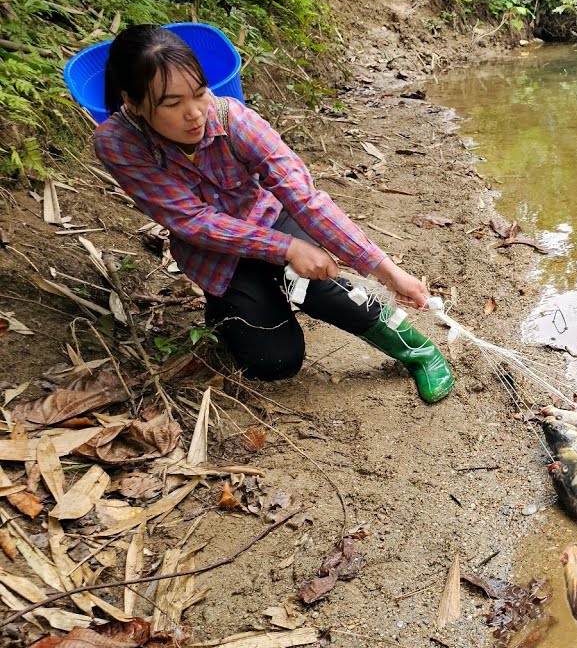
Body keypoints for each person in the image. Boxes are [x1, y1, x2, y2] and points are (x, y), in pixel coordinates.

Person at [92, 24, 454, 403]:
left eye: (199, 93)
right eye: (172, 103)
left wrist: (388, 272)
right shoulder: (117, 144)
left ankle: (418, 352)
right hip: (218, 257)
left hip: (269, 219)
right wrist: (286, 250)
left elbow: (306, 199)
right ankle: (236, 305)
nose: (194, 114)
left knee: (323, 289)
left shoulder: (233, 120)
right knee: (274, 362)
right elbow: (191, 221)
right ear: (132, 102)